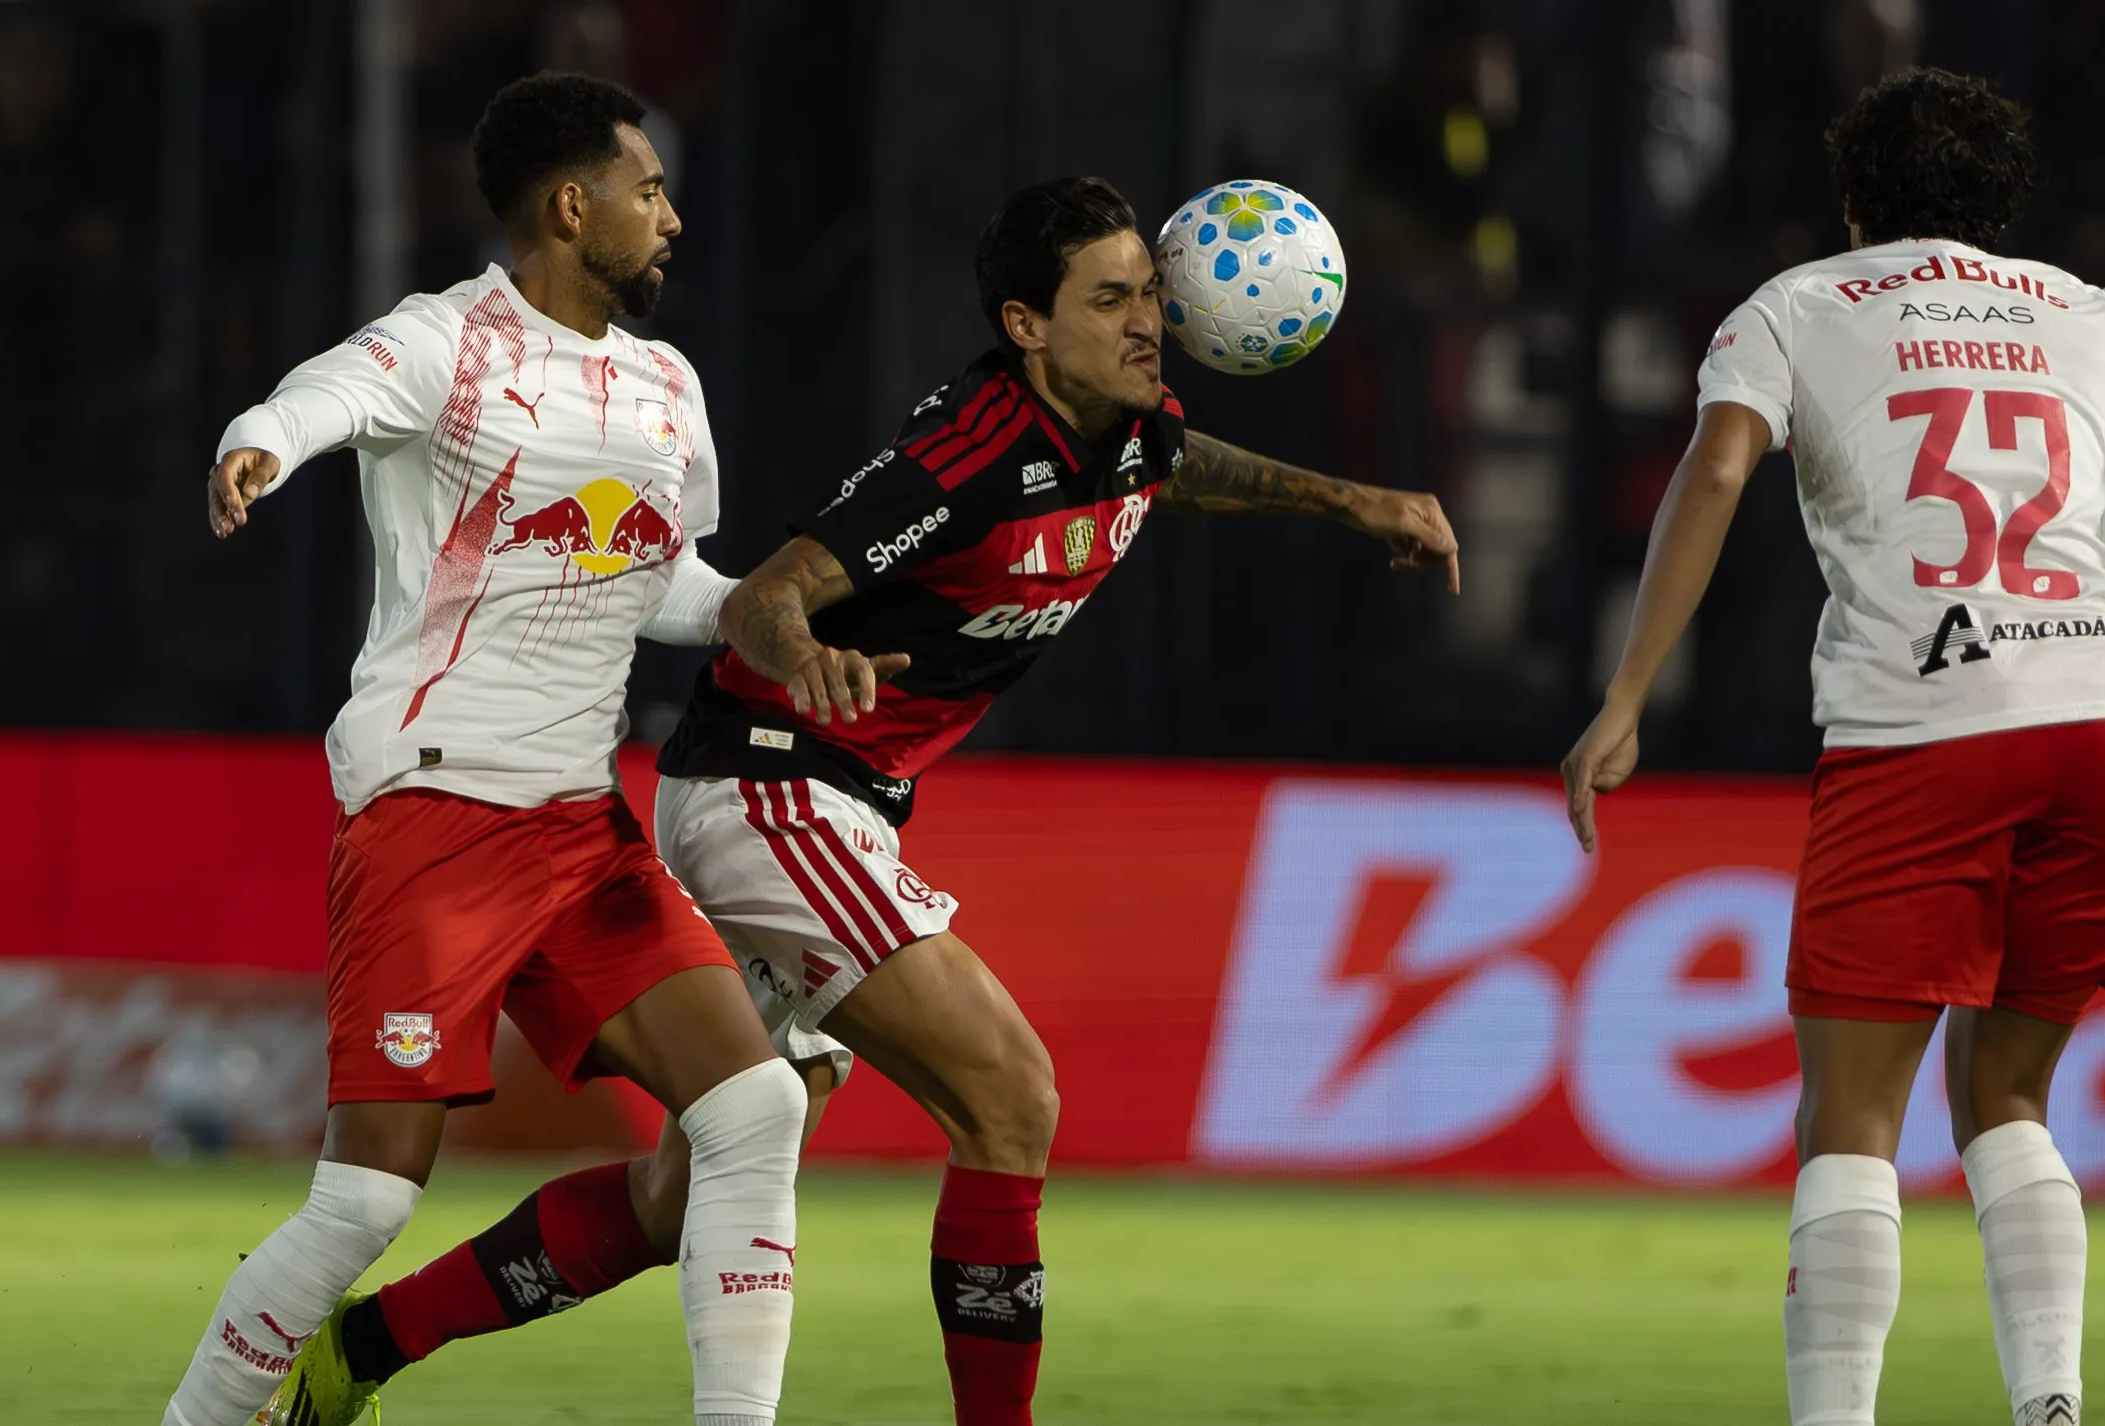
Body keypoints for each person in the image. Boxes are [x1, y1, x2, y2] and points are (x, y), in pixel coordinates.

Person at [267, 175, 1459, 1426]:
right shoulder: (967, 459)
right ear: (1025, 327)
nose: (1148, 323)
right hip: (773, 779)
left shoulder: (1127, 419)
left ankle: (362, 1348)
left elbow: (1173, 463)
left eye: (1152, 294)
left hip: (837, 796)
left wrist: (1348, 499)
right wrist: (805, 652)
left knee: (683, 1197)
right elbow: (768, 591)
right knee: (1012, 1094)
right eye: (1110, 300)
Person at [1558, 67, 2105, 1426]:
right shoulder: (2092, 313)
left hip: (1922, 722)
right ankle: (2050, 1402)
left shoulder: (1796, 306)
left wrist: (1624, 692)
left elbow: (1714, 469)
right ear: (1998, 202)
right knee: (2007, 1091)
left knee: (1847, 1118)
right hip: (2098, 720)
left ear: (1850, 201)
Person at [163, 74, 809, 1426]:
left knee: (753, 1107)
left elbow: (661, 586)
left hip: (582, 834)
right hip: (434, 816)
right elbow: (318, 398)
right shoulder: (448, 344)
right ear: (573, 208)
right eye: (647, 191)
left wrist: (764, 608)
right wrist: (257, 447)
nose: (671, 218)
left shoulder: (664, 385)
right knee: (362, 1200)